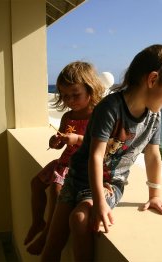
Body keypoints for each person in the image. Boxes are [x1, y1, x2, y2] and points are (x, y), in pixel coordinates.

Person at [41, 44, 162, 261]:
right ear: (153, 79)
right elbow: (95, 155)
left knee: (80, 218)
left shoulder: (154, 116)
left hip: (108, 184)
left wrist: (155, 195)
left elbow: (153, 156)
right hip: (76, 178)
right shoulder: (110, 107)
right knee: (52, 245)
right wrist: (101, 204)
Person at [24, 61, 105, 255]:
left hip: (80, 166)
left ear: (90, 90)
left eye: (75, 95)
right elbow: (62, 141)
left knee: (56, 189)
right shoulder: (68, 117)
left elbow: (98, 144)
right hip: (63, 162)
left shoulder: (97, 116)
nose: (70, 100)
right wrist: (56, 142)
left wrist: (76, 139)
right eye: (65, 95)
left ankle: (47, 236)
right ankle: (37, 222)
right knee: (35, 183)